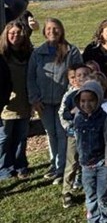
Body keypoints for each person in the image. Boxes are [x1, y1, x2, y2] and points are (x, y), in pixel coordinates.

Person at [28, 18, 83, 183]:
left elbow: (77, 77)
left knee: (62, 134)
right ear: (44, 31)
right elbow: (30, 77)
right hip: (43, 102)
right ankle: (55, 164)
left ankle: (62, 168)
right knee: (50, 133)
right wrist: (34, 99)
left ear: (62, 30)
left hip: (63, 102)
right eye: (49, 29)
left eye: (56, 28)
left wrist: (71, 100)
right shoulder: (38, 53)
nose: (52, 31)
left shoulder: (71, 51)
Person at [73, 80, 107, 223]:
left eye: (90, 100)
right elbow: (77, 140)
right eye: (83, 101)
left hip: (102, 163)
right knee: (90, 194)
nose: (86, 104)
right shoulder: (78, 118)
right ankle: (94, 221)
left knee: (103, 194)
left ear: (98, 99)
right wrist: (79, 159)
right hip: (86, 164)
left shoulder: (104, 119)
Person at [0, 21, 33, 180]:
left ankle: (21, 166)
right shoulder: (2, 55)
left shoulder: (28, 54)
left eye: (19, 33)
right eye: (12, 33)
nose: (15, 36)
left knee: (21, 137)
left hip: (25, 101)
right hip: (7, 104)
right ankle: (5, 168)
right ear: (6, 35)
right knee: (4, 138)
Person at [59, 63, 92, 208]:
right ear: (75, 79)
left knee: (89, 162)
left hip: (92, 134)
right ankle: (67, 191)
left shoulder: (95, 92)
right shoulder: (71, 95)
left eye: (86, 74)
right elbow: (64, 113)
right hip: (75, 133)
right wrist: (72, 113)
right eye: (79, 76)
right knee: (72, 162)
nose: (82, 78)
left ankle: (89, 188)